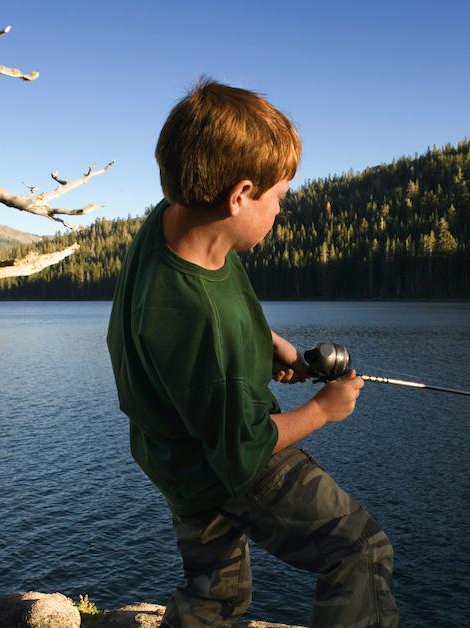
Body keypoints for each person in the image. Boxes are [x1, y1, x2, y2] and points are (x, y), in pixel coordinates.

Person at [106, 79, 399, 627]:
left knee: (215, 594)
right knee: (360, 552)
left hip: (178, 456)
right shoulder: (197, 319)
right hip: (229, 459)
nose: (280, 212)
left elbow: (226, 305)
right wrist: (323, 410)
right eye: (279, 198)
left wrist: (274, 347)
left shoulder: (179, 219)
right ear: (239, 194)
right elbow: (247, 449)